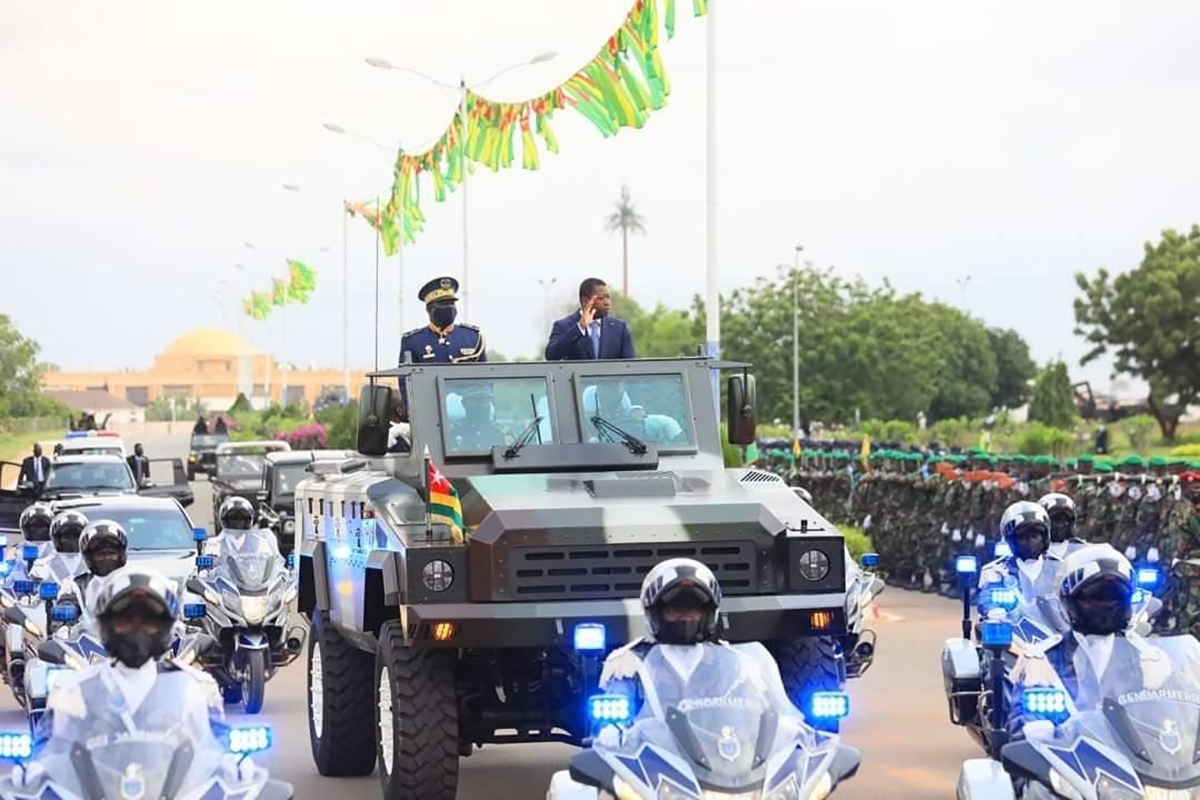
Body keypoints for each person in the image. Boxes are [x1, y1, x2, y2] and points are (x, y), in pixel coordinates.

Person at [13, 567, 259, 791]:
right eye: (125, 620)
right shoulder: (71, 688)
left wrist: (231, 763)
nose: (137, 630)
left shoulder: (196, 685)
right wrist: (35, 767)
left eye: (149, 622)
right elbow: (48, 744)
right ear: (106, 626)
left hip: (174, 790)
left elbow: (217, 739)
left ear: (165, 628)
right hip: (93, 791)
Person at [1009, 545, 1179, 737]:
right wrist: (1035, 730)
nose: (1105, 605)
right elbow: (1022, 723)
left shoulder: (1150, 660)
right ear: (1068, 602)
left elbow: (1177, 716)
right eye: (1094, 598)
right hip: (1070, 764)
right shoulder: (1041, 660)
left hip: (1140, 763)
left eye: (1114, 598)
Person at [598, 559, 796, 723]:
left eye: (693, 608)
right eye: (675, 608)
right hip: (653, 763)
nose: (686, 616)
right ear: (655, 612)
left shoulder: (735, 663)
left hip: (721, 760)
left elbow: (762, 712)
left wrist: (783, 727)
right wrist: (609, 731)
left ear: (709, 613)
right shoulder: (628, 662)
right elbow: (610, 724)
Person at [977, 501, 1062, 616]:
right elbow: (987, 596)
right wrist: (993, 610)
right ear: (1011, 541)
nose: (1030, 542)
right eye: (1023, 537)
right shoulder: (998, 570)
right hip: (1013, 630)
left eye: (1034, 536)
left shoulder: (1059, 568)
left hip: (1054, 631)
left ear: (1044, 538)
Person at [398, 277, 486, 366]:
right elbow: (405, 378)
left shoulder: (473, 338)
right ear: (429, 309)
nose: (449, 307)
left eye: (451, 303)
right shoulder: (412, 341)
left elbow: (485, 375)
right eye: (443, 304)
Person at [545, 278, 635, 361]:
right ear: (585, 301)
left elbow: (629, 365)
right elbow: (551, 355)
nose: (607, 302)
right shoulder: (563, 326)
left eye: (608, 297)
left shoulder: (619, 328)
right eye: (601, 298)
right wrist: (579, 327)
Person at [58, 520, 129, 616]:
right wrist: (64, 626)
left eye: (111, 553)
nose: (106, 558)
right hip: (91, 630)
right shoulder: (75, 586)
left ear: (121, 555)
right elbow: (66, 602)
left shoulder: (132, 581)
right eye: (100, 554)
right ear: (89, 557)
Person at [31, 510, 89, 584]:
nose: (71, 541)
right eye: (66, 536)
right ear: (57, 539)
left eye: (76, 536)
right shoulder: (43, 565)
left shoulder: (92, 563)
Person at [448, 385, 506, 451]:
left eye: (486, 401)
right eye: (477, 401)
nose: (482, 405)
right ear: (464, 403)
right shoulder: (452, 432)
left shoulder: (501, 432)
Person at [1038, 492, 1086, 560]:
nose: (1060, 525)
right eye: (1055, 519)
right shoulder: (1034, 551)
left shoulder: (1081, 550)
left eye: (1065, 519)